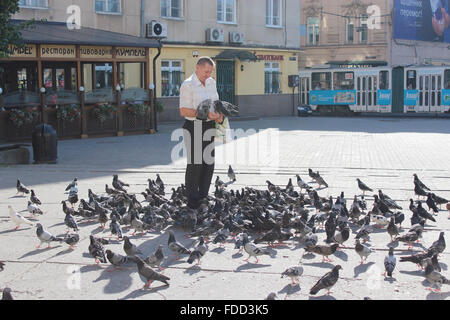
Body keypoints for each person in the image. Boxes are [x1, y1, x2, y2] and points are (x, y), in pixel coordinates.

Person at [179, 57, 223, 210]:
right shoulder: (188, 85)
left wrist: (219, 114)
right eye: (206, 72)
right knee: (195, 165)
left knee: (208, 163)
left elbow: (216, 103)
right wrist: (204, 114)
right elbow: (183, 110)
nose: (208, 75)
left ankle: (203, 197)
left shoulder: (211, 82)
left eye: (211, 72)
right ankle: (192, 201)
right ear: (197, 68)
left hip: (209, 126)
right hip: (193, 126)